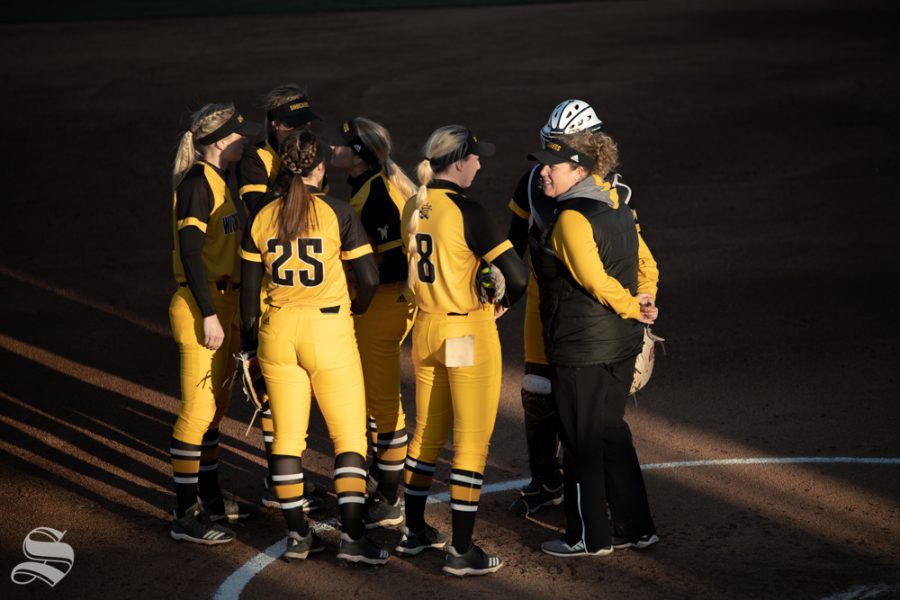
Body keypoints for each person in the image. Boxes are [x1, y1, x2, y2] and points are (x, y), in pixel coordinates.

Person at [239, 129, 389, 564]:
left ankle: (298, 537)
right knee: (348, 437)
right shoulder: (337, 213)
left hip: (277, 333)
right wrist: (356, 309)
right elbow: (370, 278)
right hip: (328, 333)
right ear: (319, 168)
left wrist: (250, 346)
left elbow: (250, 298)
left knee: (286, 439)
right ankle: (355, 540)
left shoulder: (262, 216)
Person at [506, 99, 659, 516]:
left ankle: (601, 494)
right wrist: (505, 294)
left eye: (564, 143)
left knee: (591, 407)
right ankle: (546, 482)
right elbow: (515, 242)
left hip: (594, 311)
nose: (552, 154)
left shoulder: (612, 194)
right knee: (538, 390)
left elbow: (634, 255)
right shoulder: (532, 184)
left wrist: (641, 300)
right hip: (546, 299)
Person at [399, 125, 529, 576]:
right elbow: (516, 276)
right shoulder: (468, 211)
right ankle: (460, 551)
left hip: (427, 333)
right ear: (457, 162)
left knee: (426, 436)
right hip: (465, 336)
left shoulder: (413, 206)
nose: (479, 164)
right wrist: (500, 306)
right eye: (475, 158)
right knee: (470, 445)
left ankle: (413, 532)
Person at [168, 102, 262, 544]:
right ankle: (184, 515)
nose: (246, 140)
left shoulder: (219, 180)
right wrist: (208, 313)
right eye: (240, 134)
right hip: (200, 305)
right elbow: (189, 253)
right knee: (197, 412)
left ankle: (209, 499)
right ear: (221, 141)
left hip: (221, 306)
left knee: (215, 412)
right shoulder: (195, 186)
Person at [325, 117, 418, 529]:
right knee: (370, 397)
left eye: (342, 145)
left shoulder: (378, 195)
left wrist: (360, 290)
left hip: (383, 306)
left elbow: (396, 264)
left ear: (359, 156)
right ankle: (381, 478)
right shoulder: (369, 188)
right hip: (378, 305)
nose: (333, 149)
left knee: (382, 402)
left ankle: (389, 499)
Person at [237, 83, 325, 513]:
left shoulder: (304, 148)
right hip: (269, 284)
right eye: (294, 123)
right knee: (275, 391)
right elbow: (260, 216)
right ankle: (280, 481)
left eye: (306, 122)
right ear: (275, 125)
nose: (303, 129)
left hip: (298, 284)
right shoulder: (257, 159)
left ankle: (287, 479)